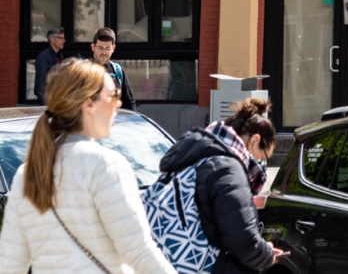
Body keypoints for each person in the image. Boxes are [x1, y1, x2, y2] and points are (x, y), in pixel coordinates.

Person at [0, 59, 176, 274]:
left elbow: (9, 263)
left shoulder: (26, 173)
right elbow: (139, 251)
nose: (118, 104)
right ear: (88, 104)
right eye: (113, 96)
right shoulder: (105, 165)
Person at [157, 97, 285, 274]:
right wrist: (266, 254)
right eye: (263, 157)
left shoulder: (195, 156)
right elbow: (243, 241)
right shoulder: (229, 170)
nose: (262, 165)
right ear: (254, 140)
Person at [89, 27, 136, 109]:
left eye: (107, 48)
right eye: (100, 48)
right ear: (93, 47)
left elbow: (129, 103)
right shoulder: (83, 71)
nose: (104, 52)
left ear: (113, 48)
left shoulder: (118, 71)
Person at [34, 27, 66, 104]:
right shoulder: (44, 57)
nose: (63, 41)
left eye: (63, 38)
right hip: (48, 102)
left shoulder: (59, 56)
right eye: (60, 38)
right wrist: (45, 104)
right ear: (52, 40)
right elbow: (40, 84)